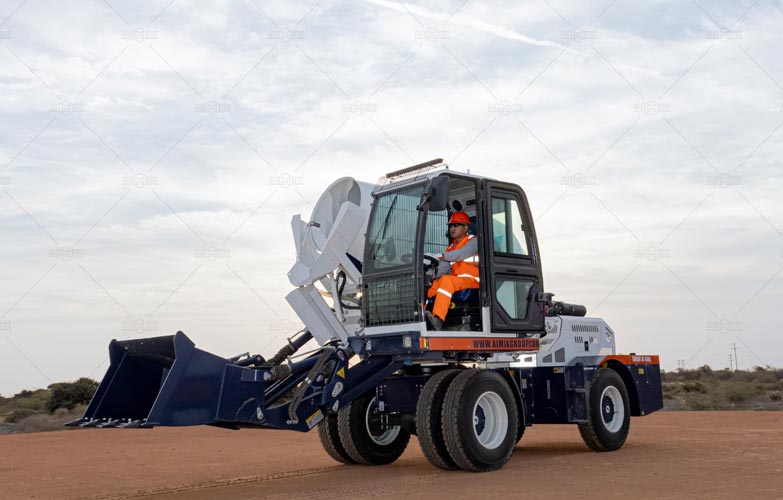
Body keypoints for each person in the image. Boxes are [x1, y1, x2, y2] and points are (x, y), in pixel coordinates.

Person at [424, 211, 479, 330]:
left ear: (465, 228)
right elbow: (442, 268)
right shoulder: (451, 248)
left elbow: (460, 254)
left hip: (472, 280)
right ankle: (422, 318)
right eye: (451, 226)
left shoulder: (474, 241)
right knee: (430, 287)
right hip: (458, 281)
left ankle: (438, 318)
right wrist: (428, 271)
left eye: (456, 225)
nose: (452, 228)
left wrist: (441, 256)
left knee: (446, 281)